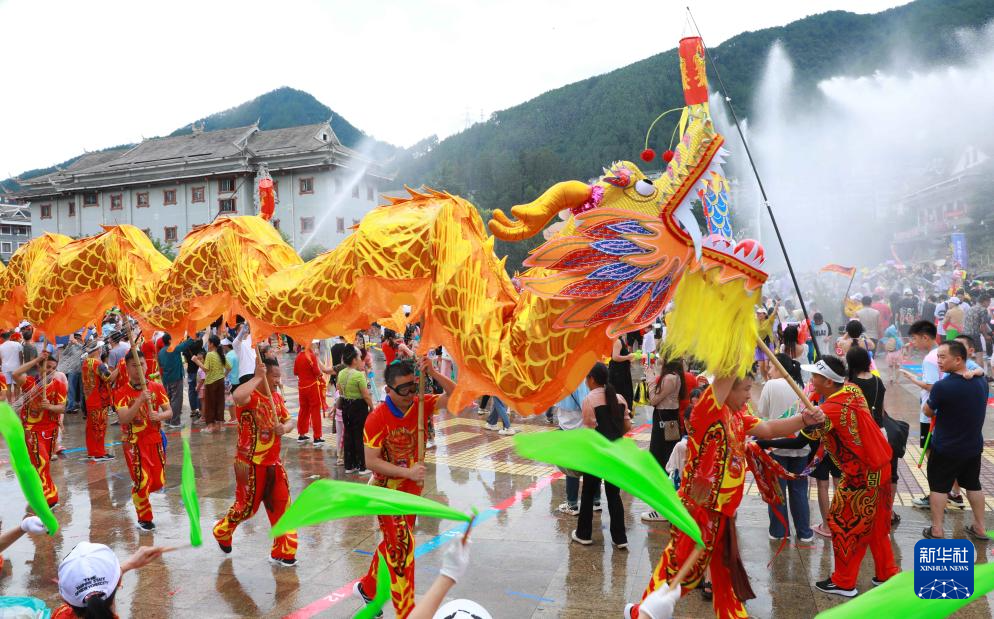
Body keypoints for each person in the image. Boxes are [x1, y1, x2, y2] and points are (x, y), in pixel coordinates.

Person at [626, 373, 825, 618]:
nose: (749, 395)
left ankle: (731, 614)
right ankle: (640, 613)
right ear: (727, 388)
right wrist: (735, 352)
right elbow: (725, 374)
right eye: (745, 389)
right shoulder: (708, 412)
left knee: (724, 575)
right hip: (699, 512)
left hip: (723, 513)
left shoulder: (738, 417)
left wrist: (803, 419)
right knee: (677, 572)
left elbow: (768, 428)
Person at [355, 357, 455, 618]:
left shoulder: (421, 404)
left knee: (396, 541)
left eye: (413, 387)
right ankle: (407, 612)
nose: (410, 394)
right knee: (402, 549)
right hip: (387, 492)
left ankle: (368, 587)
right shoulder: (376, 419)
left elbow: (456, 396)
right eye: (404, 390)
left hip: (412, 490)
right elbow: (371, 461)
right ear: (389, 389)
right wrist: (407, 472)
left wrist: (434, 373)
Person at [800, 357, 898, 597]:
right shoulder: (853, 391)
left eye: (815, 376)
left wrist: (761, 439)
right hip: (880, 468)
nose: (811, 380)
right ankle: (886, 573)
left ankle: (844, 582)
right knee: (877, 524)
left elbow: (798, 439)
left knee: (843, 525)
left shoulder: (828, 411)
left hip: (860, 475)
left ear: (827, 381)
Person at [213, 357, 299, 565]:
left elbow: (290, 420)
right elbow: (236, 396)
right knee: (246, 509)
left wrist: (285, 428)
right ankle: (222, 531)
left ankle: (285, 552)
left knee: (282, 506)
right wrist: (257, 377)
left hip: (274, 463)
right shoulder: (249, 397)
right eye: (274, 376)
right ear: (262, 375)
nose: (278, 381)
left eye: (279, 376)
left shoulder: (276, 398)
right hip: (249, 464)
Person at [921, 340, 990, 541]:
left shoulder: (942, 386)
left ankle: (937, 530)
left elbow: (928, 411)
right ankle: (980, 528)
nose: (939, 361)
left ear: (958, 359)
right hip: (972, 447)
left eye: (943, 357)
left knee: (939, 487)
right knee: (973, 485)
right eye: (938, 357)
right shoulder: (981, 382)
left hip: (946, 448)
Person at [572, 362, 632, 549]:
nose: (585, 381)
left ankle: (584, 534)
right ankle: (620, 538)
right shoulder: (619, 398)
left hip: (596, 454)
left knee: (588, 493)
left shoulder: (589, 400)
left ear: (592, 379)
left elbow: (589, 432)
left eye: (586, 378)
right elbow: (627, 426)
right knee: (614, 494)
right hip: (615, 453)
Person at [754, 353, 813, 542]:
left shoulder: (771, 385)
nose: (769, 371)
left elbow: (762, 412)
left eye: (771, 367)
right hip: (801, 447)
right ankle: (804, 533)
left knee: (777, 491)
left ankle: (779, 532)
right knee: (799, 491)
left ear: (779, 367)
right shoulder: (801, 385)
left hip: (776, 447)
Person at [112, 350, 171, 531]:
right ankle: (144, 518)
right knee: (142, 480)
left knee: (158, 481)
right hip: (134, 443)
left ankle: (141, 494)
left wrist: (159, 416)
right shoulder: (121, 392)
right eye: (134, 366)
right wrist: (139, 400)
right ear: (127, 369)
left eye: (142, 364)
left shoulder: (157, 387)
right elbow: (124, 419)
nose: (139, 369)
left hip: (155, 440)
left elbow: (169, 411)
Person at [846, 346, 901, 525]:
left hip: (859, 436)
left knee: (860, 475)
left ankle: (861, 511)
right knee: (887, 473)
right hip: (879, 433)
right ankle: (887, 512)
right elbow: (882, 411)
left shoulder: (850, 384)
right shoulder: (878, 381)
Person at [50, 542, 168, 619]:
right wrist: (128, 565)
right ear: (119, 583)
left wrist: (123, 568)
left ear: (63, 598)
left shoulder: (61, 615)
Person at [13, 350, 67, 507]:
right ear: (39, 367)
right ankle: (48, 497)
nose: (50, 371)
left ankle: (40, 492)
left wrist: (50, 407)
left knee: (43, 463)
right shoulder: (30, 383)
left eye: (53, 368)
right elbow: (16, 374)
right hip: (33, 430)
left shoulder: (59, 385)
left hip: (51, 430)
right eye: (47, 367)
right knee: (41, 462)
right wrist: (37, 359)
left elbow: (62, 408)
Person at [554, 380, 591, 516]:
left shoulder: (561, 380)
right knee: (590, 466)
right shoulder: (585, 379)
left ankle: (572, 504)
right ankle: (596, 501)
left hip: (567, 428)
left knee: (571, 468)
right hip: (584, 428)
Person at [338, 344, 374, 474]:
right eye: (359, 357)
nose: (360, 359)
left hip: (346, 406)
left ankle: (349, 465)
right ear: (354, 360)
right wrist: (372, 407)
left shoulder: (341, 373)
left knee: (348, 434)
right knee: (359, 435)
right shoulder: (359, 375)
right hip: (358, 407)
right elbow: (366, 395)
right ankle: (362, 466)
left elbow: (340, 390)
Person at [293, 339, 333, 446]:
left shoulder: (298, 356)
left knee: (303, 410)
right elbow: (316, 372)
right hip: (312, 386)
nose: (315, 345)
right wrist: (320, 374)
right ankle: (317, 437)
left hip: (301, 387)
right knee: (315, 411)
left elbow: (295, 372)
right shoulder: (311, 356)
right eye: (314, 344)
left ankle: (301, 434)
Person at [80, 342, 116, 461]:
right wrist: (120, 367)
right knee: (99, 427)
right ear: (98, 350)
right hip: (100, 400)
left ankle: (93, 451)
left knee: (92, 427)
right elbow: (109, 378)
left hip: (90, 399)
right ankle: (98, 453)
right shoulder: (98, 364)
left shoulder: (86, 362)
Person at [647, 359, 685, 471]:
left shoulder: (669, 378)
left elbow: (654, 400)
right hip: (670, 415)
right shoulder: (675, 375)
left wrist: (650, 381)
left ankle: (662, 475)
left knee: (659, 450)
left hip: (663, 416)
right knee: (668, 448)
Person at [193, 334, 230, 433]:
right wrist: (223, 376)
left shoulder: (210, 354)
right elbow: (229, 367)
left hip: (211, 383)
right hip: (220, 381)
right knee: (220, 403)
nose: (207, 344)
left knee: (210, 404)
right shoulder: (220, 354)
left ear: (212, 344)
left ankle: (210, 427)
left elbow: (206, 369)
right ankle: (220, 426)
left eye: (208, 343)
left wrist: (196, 361)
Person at [157, 334, 195, 429]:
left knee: (169, 399)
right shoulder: (173, 348)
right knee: (176, 400)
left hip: (166, 378)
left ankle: (168, 420)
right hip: (176, 377)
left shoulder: (161, 352)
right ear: (170, 341)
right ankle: (175, 422)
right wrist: (192, 336)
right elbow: (186, 344)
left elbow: (160, 365)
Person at [963, 294, 991, 368]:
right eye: (989, 302)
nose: (989, 304)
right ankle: (981, 373)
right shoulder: (983, 309)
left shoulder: (971, 308)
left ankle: (970, 371)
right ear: (985, 301)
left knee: (968, 355)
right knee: (979, 354)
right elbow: (983, 325)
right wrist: (986, 336)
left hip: (965, 334)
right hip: (974, 335)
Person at [609, 336, 635, 412]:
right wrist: (628, 357)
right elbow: (615, 357)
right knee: (621, 392)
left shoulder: (620, 340)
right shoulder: (617, 341)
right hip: (618, 373)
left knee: (624, 392)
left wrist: (629, 357)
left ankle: (624, 411)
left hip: (621, 371)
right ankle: (622, 412)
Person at [182, 335, 205, 420]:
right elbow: (203, 339)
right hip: (200, 370)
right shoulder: (199, 345)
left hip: (191, 371)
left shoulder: (186, 347)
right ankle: (201, 410)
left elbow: (185, 360)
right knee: (200, 390)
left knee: (192, 390)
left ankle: (193, 410)